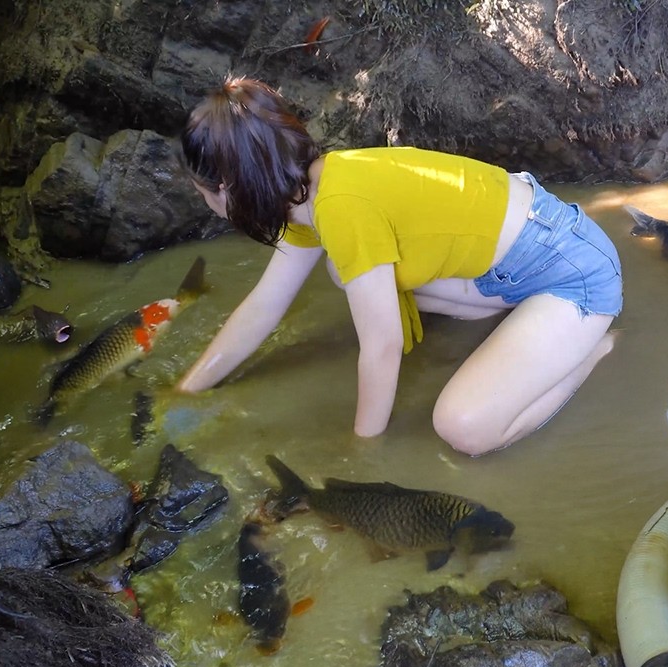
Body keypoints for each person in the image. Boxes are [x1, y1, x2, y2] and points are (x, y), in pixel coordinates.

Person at [175, 77, 623, 456]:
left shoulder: (340, 207)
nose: (204, 201)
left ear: (225, 188)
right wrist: (185, 391)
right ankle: (524, 323)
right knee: (345, 273)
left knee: (464, 428)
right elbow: (263, 307)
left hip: (573, 270)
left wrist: (364, 451)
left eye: (201, 191)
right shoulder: (304, 191)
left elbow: (382, 346)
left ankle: (594, 347)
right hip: (520, 258)